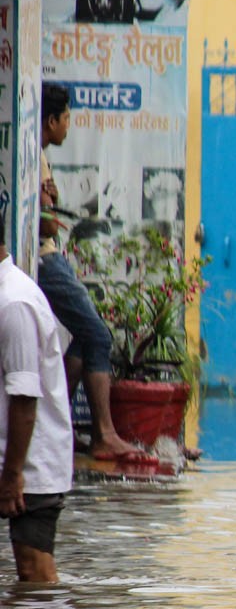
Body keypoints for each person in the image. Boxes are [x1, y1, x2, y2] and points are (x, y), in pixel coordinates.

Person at [39, 83, 141, 462]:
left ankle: (55, 431)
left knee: (86, 336)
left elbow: (48, 213)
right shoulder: (35, 156)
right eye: (66, 119)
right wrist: (49, 208)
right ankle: (104, 434)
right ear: (52, 120)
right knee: (98, 336)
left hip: (49, 256)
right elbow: (47, 226)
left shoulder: (40, 158)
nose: (68, 126)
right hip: (44, 259)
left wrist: (52, 201)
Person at [0, 223, 75, 583]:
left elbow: (24, 396)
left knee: (34, 568)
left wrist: (13, 474)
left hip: (30, 465)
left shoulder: (13, 301)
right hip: (14, 458)